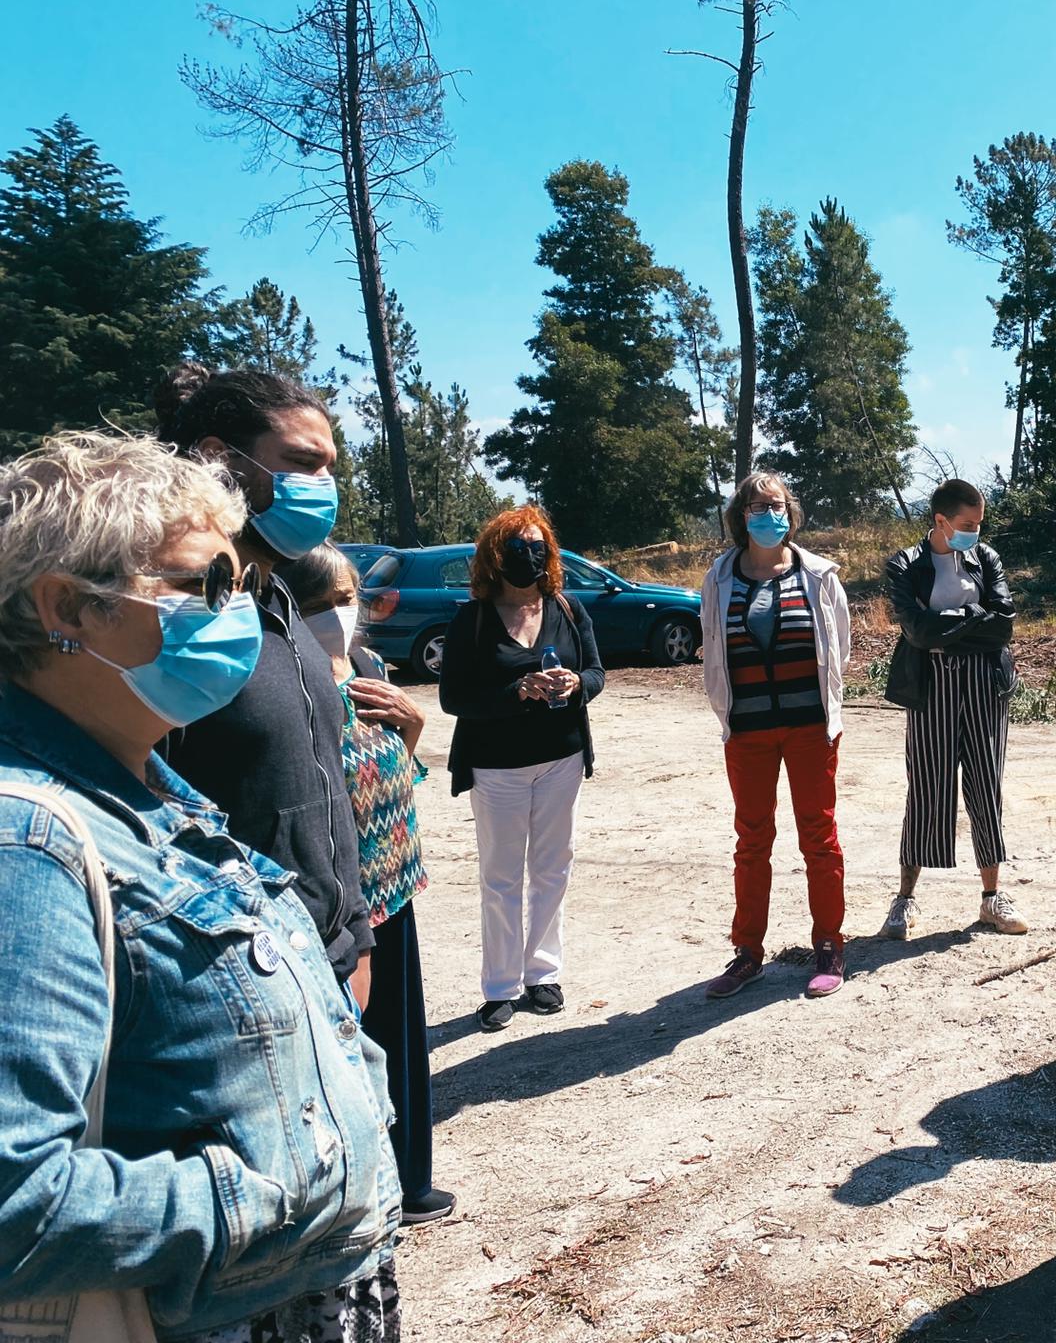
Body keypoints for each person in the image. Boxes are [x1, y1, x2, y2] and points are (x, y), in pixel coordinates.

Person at [0, 432, 401, 1338]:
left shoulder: (149, 792)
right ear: (67, 606)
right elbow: (15, 1199)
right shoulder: (25, 846)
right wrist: (271, 1195)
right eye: (201, 587)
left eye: (240, 587)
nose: (235, 615)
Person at [151, 363, 372, 1007]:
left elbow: (323, 786)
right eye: (301, 464)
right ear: (221, 461)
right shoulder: (176, 626)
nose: (322, 487)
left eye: (329, 467)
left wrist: (354, 935)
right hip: (231, 978)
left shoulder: (279, 602)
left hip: (326, 962)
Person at [283, 543, 454, 1227]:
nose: (338, 615)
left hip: (393, 883)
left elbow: (396, 774)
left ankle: (411, 1181)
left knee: (401, 1039)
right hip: (336, 895)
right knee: (349, 1048)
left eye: (348, 599)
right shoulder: (291, 680)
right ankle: (363, 1192)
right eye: (321, 604)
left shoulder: (369, 667)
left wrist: (412, 733)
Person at [439, 505, 604, 1032]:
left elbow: (597, 672)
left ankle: (542, 975)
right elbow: (453, 697)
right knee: (502, 877)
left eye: (536, 546)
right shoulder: (474, 618)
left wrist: (578, 685)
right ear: (494, 556)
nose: (528, 556)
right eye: (516, 548)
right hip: (497, 769)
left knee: (553, 869)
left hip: (562, 759)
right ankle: (500, 987)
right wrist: (517, 690)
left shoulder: (568, 608)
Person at [698, 472, 854, 1000]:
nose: (770, 514)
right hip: (748, 732)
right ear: (741, 516)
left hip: (811, 728)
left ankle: (830, 945)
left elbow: (840, 646)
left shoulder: (819, 575)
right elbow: (714, 647)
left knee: (819, 836)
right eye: (758, 507)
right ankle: (747, 954)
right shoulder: (719, 577)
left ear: (792, 510)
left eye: (778, 504)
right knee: (751, 841)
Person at [880, 477, 1027, 940]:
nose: (975, 532)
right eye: (967, 524)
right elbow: (917, 633)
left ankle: (991, 899)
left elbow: (1003, 626)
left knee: (987, 783)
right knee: (926, 785)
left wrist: (947, 624)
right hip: (931, 685)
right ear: (940, 520)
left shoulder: (985, 558)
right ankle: (904, 900)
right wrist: (972, 619)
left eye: (979, 524)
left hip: (984, 682)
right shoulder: (905, 564)